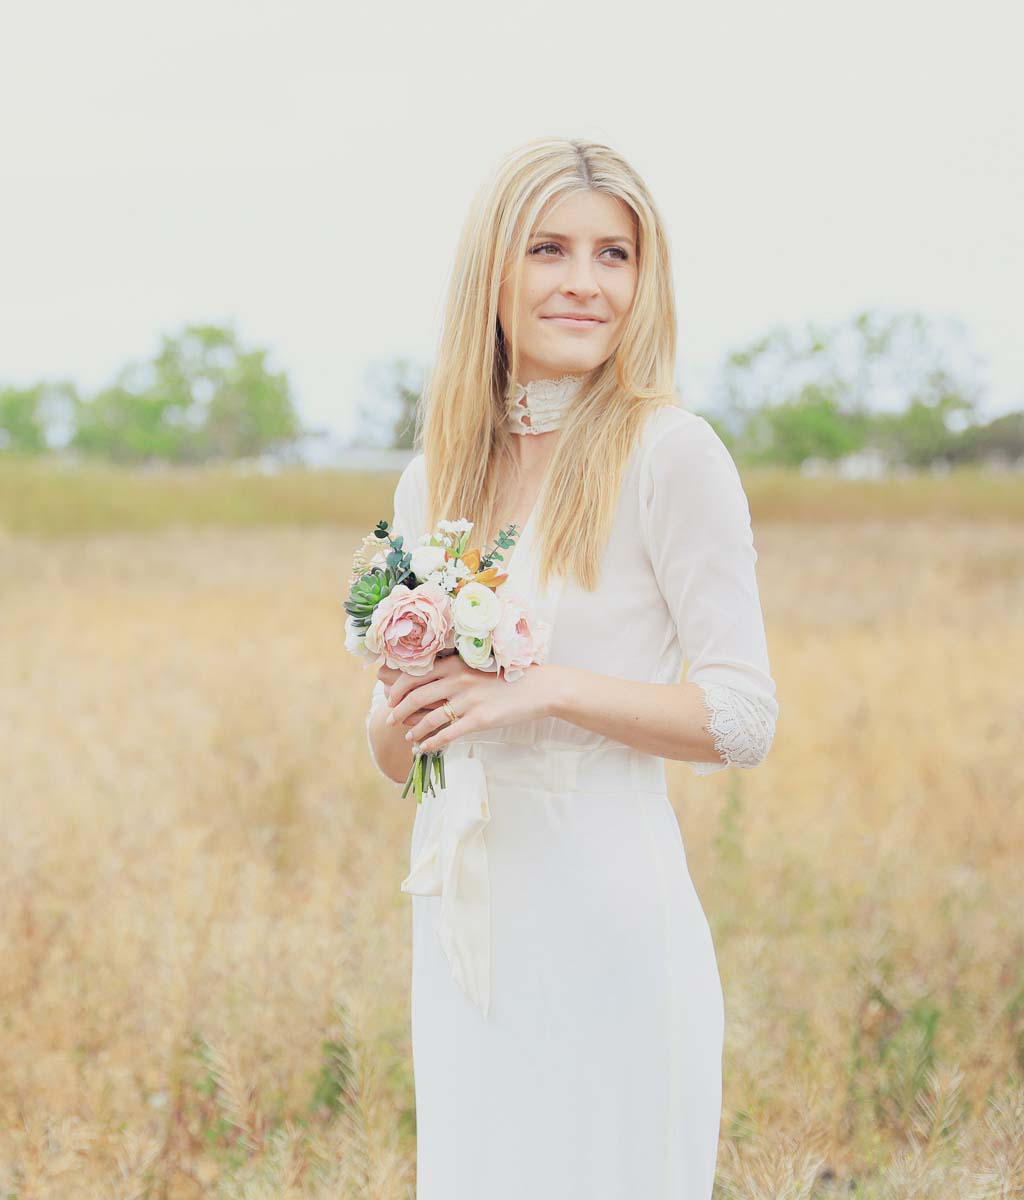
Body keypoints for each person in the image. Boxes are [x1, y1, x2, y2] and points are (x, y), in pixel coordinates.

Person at [364, 136, 778, 1199]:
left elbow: (742, 716)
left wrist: (544, 689)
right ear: (492, 270)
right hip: (469, 916)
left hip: (609, 908)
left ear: (647, 281)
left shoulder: (671, 453)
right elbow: (390, 751)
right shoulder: (435, 475)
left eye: (616, 255)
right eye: (550, 249)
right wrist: (405, 683)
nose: (585, 284)